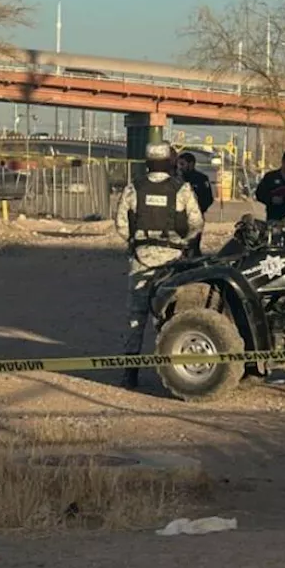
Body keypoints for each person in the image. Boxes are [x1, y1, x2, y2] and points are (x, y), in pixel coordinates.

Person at [114, 143, 204, 389]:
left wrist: (136, 242)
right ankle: (172, 370)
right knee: (170, 316)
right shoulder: (182, 189)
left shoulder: (134, 188)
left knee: (136, 317)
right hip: (172, 263)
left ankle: (129, 374)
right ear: (169, 162)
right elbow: (196, 223)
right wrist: (183, 244)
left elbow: (121, 224)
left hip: (140, 260)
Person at [177, 151, 215, 256]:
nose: (180, 167)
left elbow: (208, 198)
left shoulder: (201, 179)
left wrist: (199, 209)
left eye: (182, 164)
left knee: (194, 244)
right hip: (179, 217)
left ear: (191, 164)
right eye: (179, 164)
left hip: (196, 216)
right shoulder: (176, 180)